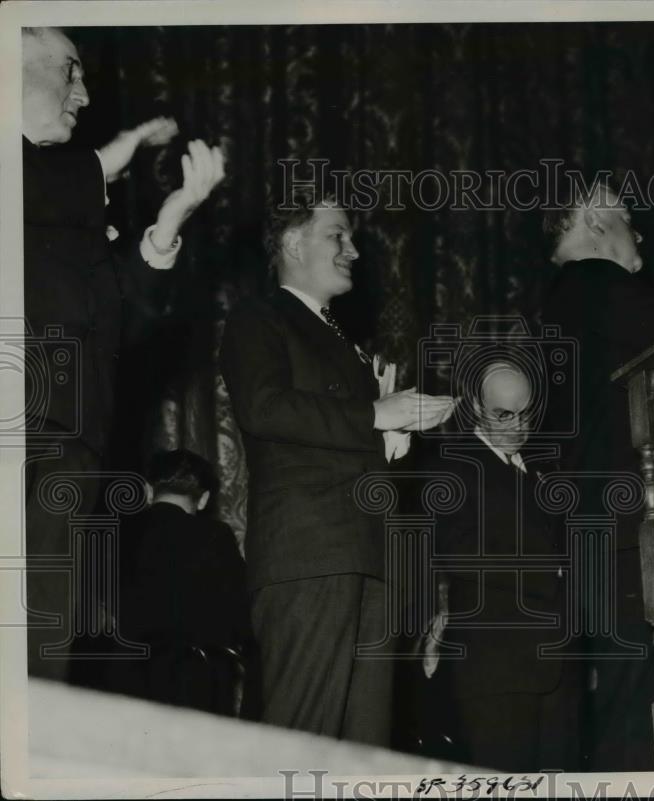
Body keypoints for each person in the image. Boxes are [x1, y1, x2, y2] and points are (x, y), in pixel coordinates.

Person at [21, 26, 226, 681]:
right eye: (69, 71)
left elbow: (119, 318)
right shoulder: (50, 181)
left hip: (69, 441)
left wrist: (170, 222)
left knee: (39, 647)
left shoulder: (63, 198)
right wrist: (119, 153)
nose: (83, 95)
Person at [219, 190, 456, 744]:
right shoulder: (259, 317)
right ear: (292, 243)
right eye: (337, 235)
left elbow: (340, 441)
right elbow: (264, 408)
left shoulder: (345, 343)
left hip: (367, 560)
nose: (353, 250)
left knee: (360, 752)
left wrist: (394, 433)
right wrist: (376, 413)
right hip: (311, 558)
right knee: (304, 744)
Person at [539, 177, 654, 771]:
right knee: (639, 703)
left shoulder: (563, 299)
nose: (637, 232)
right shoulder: (593, 283)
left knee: (631, 694)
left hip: (597, 531)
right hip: (622, 529)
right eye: (625, 216)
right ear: (595, 219)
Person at [419, 359, 583, 773]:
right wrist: (547, 571)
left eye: (526, 413)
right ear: (477, 407)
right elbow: (458, 552)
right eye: (504, 415)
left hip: (556, 670)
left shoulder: (541, 467)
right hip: (496, 673)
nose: (518, 426)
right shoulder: (454, 465)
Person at [113, 449, 253, 716]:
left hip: (124, 679)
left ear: (147, 490)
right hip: (195, 684)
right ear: (203, 499)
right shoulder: (216, 535)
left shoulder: (119, 531)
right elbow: (241, 612)